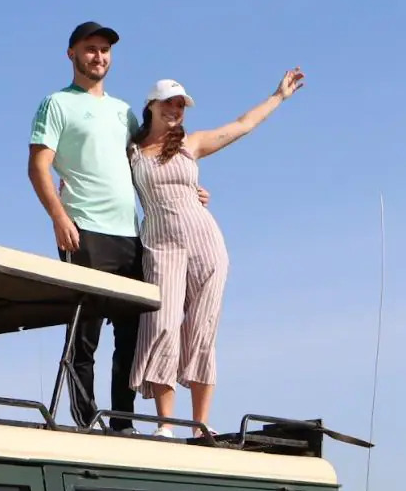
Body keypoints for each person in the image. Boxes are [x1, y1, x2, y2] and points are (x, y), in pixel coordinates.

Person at [127, 69, 305, 433]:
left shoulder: (190, 144)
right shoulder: (131, 150)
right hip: (161, 246)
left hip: (205, 241)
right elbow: (96, 167)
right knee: (162, 325)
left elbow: (241, 125)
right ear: (151, 106)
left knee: (203, 328)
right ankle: (165, 426)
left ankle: (199, 426)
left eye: (181, 105)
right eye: (169, 103)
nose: (176, 110)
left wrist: (278, 96)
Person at [27, 21, 145, 430]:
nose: (99, 56)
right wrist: (60, 217)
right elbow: (38, 167)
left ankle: (123, 421)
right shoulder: (56, 103)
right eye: (90, 49)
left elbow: (148, 162)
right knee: (85, 334)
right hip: (84, 230)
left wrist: (190, 193)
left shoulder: (124, 111)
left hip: (131, 234)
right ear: (72, 55)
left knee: (131, 334)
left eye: (105, 50)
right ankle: (84, 420)